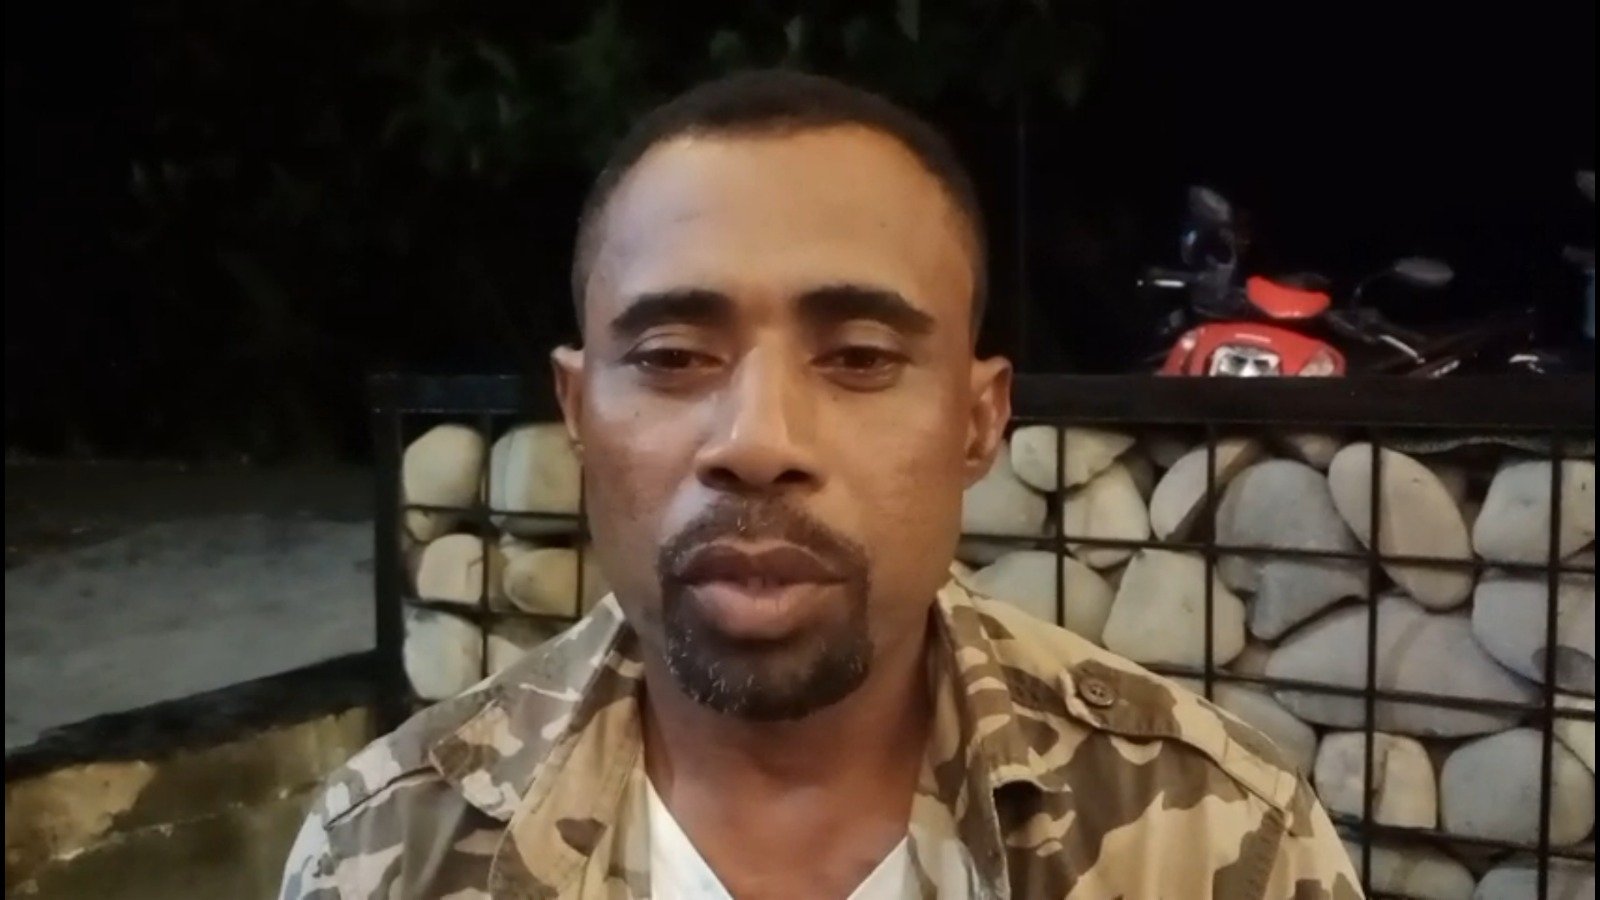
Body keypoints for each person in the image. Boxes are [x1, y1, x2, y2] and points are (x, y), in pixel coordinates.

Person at [281, 69, 1362, 899]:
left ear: (978, 421)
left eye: (858, 357)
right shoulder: (390, 852)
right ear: (576, 412)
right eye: (672, 357)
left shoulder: (1213, 842)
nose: (757, 442)